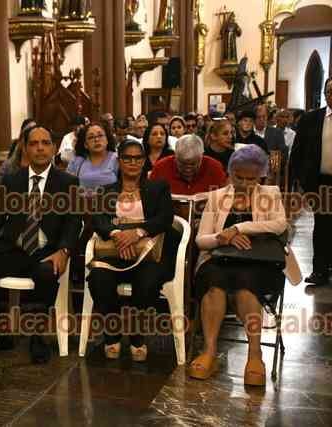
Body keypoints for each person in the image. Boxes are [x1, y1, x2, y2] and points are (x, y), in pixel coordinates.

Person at [0, 125, 81, 363]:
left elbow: (73, 222)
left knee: (46, 273)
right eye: (33, 143)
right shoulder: (12, 180)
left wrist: (64, 250)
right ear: (25, 148)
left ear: (53, 148)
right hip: (14, 249)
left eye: (45, 143)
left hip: (47, 251)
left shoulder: (67, 182)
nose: (40, 148)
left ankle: (37, 336)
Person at [189, 145, 295, 386]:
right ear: (230, 172)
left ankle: (255, 355)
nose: (245, 183)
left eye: (251, 178)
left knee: (247, 286)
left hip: (259, 263)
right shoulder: (217, 197)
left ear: (260, 176)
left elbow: (280, 224)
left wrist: (238, 228)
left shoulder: (270, 194)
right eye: (239, 177)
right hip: (219, 260)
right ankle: (209, 351)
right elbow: (201, 240)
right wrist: (222, 238)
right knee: (214, 284)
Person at [87, 139, 177, 361]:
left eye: (138, 158)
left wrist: (137, 233)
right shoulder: (106, 191)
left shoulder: (158, 188)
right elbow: (97, 219)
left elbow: (165, 218)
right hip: (114, 253)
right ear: (119, 161)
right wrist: (117, 235)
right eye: (127, 158)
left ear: (144, 161)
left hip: (148, 255)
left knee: (148, 282)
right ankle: (112, 334)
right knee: (98, 278)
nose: (133, 162)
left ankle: (137, 335)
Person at [289, 77, 332, 285]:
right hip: (320, 182)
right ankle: (320, 271)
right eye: (330, 91)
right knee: (322, 227)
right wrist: (300, 182)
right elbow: (297, 152)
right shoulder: (311, 119)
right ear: (325, 94)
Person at [150, 135, 227, 195]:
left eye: (193, 164)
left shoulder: (215, 168)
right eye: (182, 163)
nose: (188, 169)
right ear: (175, 156)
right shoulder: (160, 168)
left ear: (201, 156)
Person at [66, 123, 118, 190]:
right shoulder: (77, 161)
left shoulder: (116, 159)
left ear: (107, 140)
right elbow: (68, 185)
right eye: (91, 137)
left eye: (100, 135)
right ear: (85, 145)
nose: (96, 140)